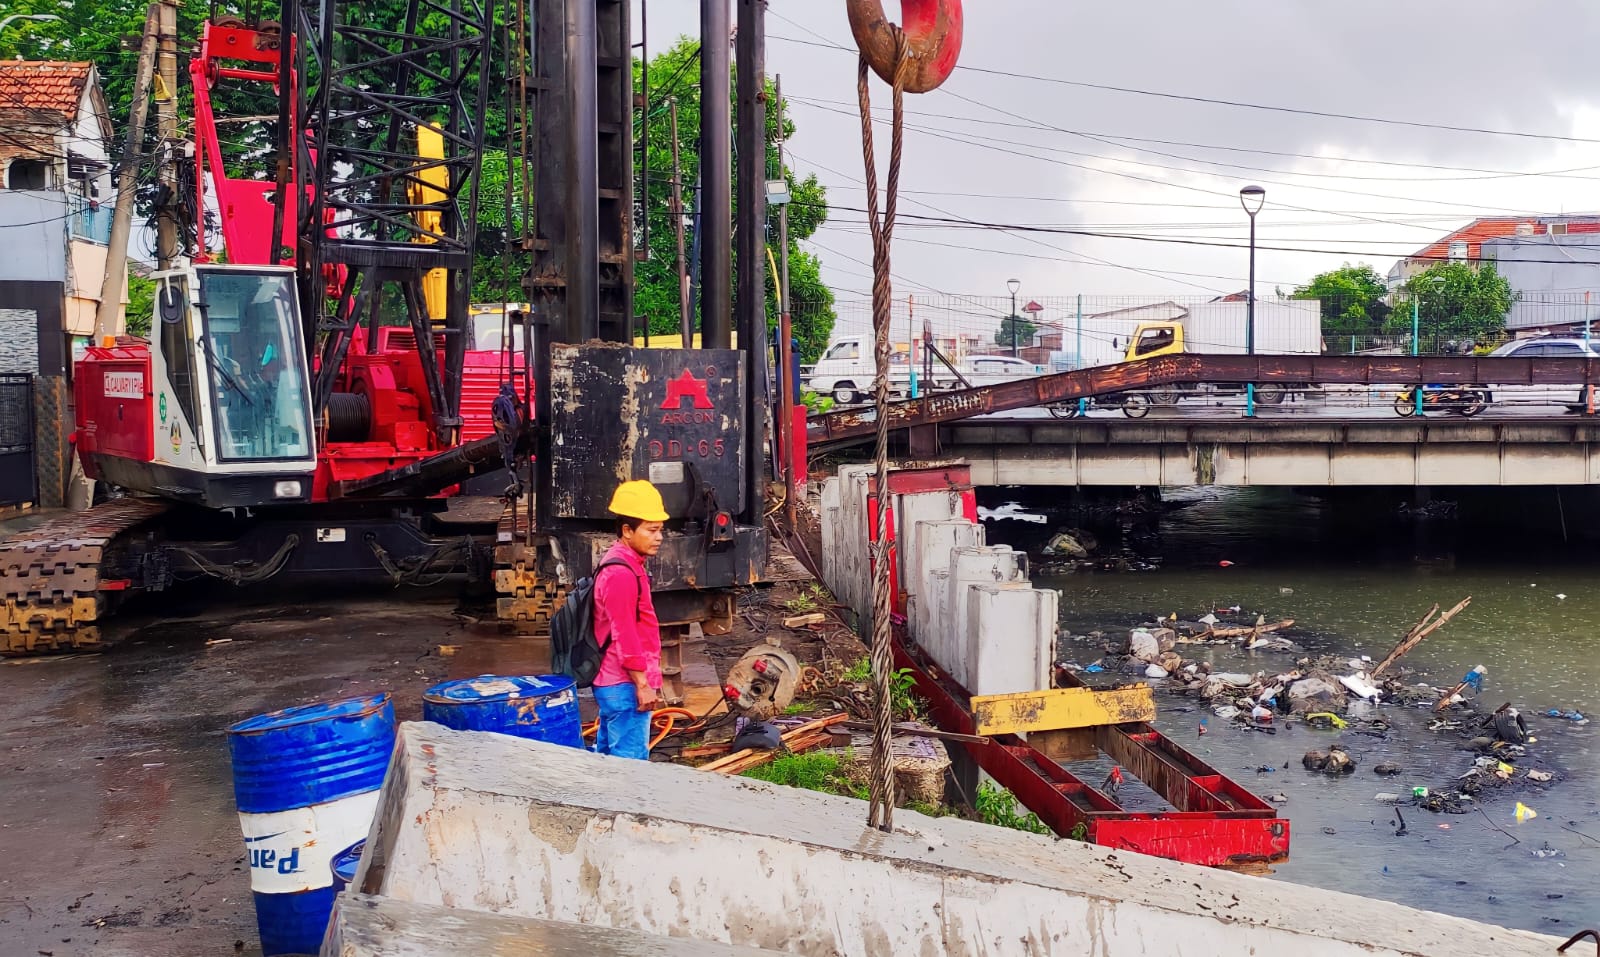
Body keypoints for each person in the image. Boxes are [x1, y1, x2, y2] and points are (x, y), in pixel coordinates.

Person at [590, 479, 669, 760]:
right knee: (629, 769)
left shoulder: (624, 563)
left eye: (660, 530)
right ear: (627, 530)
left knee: (607, 760)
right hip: (624, 686)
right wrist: (642, 685)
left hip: (617, 683)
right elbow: (625, 634)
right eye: (651, 530)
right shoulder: (621, 574)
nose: (659, 537)